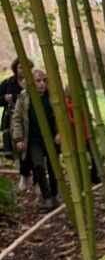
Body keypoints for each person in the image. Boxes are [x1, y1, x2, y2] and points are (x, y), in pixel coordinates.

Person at [11, 68, 60, 210]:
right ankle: (46, 197)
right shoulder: (24, 97)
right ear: (31, 83)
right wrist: (19, 138)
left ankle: (55, 195)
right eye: (38, 81)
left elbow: (60, 117)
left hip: (51, 139)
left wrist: (59, 133)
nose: (42, 84)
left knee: (53, 167)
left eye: (44, 80)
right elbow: (17, 119)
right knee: (38, 165)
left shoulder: (52, 96)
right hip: (33, 140)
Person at [1, 58, 24, 159]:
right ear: (15, 68)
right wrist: (4, 98)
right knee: (16, 147)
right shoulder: (7, 83)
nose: (22, 70)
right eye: (20, 67)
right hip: (12, 119)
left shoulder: (35, 82)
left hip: (29, 119)